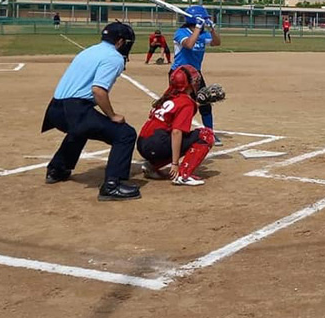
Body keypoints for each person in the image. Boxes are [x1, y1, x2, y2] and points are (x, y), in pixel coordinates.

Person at [41, 21, 140, 201]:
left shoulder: (88, 50)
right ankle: (112, 185)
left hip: (55, 109)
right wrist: (112, 116)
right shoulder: (114, 57)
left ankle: (57, 169)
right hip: (75, 109)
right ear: (119, 42)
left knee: (81, 129)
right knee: (125, 134)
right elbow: (98, 90)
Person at [137, 64, 214, 186]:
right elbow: (176, 131)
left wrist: (198, 103)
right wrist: (175, 163)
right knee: (205, 135)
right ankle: (184, 175)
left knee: (173, 138)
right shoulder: (187, 103)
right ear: (188, 83)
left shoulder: (169, 96)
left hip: (143, 143)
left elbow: (177, 109)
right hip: (157, 145)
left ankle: (152, 165)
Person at [172, 5, 222, 145]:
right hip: (179, 74)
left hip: (195, 74)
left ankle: (209, 133)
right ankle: (175, 132)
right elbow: (188, 44)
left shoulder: (203, 34)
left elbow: (217, 43)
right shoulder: (181, 32)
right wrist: (198, 28)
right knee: (180, 104)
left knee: (205, 101)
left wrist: (212, 30)